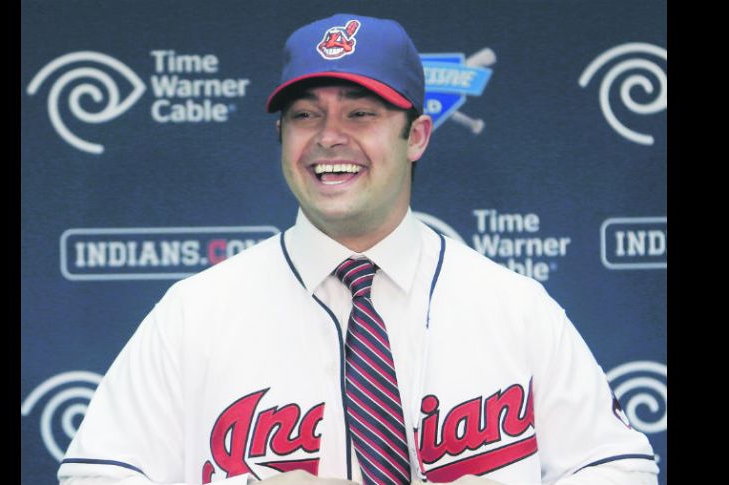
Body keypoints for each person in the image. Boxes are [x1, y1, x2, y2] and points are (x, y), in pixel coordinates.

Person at [58, 13, 660, 485]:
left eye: (361, 112)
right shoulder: (195, 312)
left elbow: (620, 468)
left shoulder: (516, 307)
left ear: (416, 135)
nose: (328, 137)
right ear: (281, 135)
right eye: (304, 114)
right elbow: (96, 473)